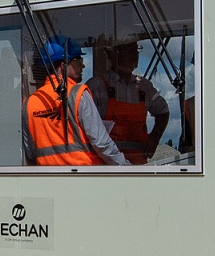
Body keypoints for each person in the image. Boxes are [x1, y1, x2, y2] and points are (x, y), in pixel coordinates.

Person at [23, 37, 128, 167]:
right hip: (83, 178)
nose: (82, 65)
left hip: (48, 181)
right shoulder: (78, 94)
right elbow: (102, 143)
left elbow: (30, 153)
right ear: (63, 66)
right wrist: (126, 168)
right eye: (78, 60)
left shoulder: (30, 103)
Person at [92, 41, 169, 163]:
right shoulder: (96, 86)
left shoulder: (144, 86)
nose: (135, 55)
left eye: (136, 50)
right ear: (115, 54)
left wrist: (155, 137)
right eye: (129, 50)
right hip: (106, 165)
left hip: (138, 166)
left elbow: (163, 111)